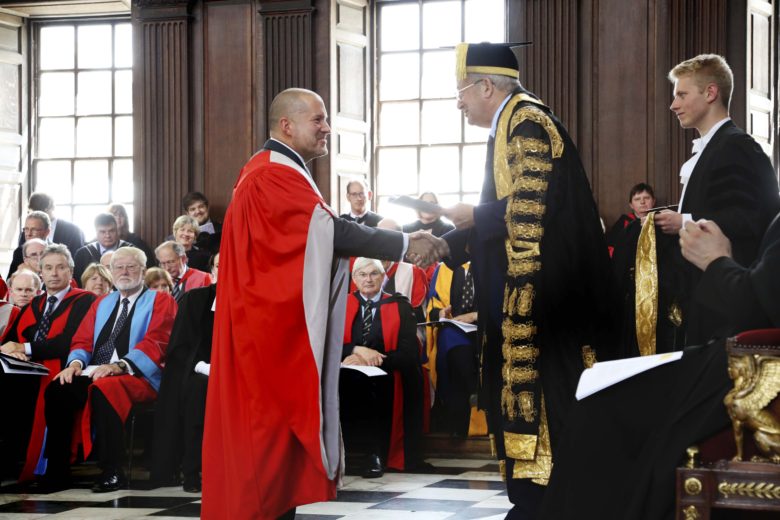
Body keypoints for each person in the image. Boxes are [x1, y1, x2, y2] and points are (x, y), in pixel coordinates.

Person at [202, 88, 446, 520]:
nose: (327, 128)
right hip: (267, 337)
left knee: (274, 456)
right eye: (318, 119)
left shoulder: (275, 171)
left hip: (266, 330)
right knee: (266, 452)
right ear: (286, 125)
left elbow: (318, 236)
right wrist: (405, 243)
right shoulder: (270, 175)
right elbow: (330, 232)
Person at [440, 42, 617, 518]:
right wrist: (446, 244)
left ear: (486, 86)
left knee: (549, 408)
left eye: (461, 92)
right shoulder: (512, 122)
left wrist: (475, 215)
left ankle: (547, 503)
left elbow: (533, 208)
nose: (458, 103)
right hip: (534, 300)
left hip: (546, 306)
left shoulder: (527, 121)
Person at [539, 214, 780, 520]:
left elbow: (758, 309)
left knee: (600, 406)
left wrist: (716, 260)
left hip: (749, 366)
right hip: (742, 358)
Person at [651, 54, 780, 348]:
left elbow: (751, 218)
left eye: (682, 94)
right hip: (707, 295)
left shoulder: (735, 146)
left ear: (710, 93)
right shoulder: (716, 147)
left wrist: (683, 221)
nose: (673, 105)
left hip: (728, 307)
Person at [42, 246, 176, 492]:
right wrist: (75, 364)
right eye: (118, 267)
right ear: (111, 271)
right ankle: (57, 470)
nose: (124, 272)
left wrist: (119, 365)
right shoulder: (102, 303)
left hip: (139, 374)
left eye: (131, 267)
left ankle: (112, 470)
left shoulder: (160, 300)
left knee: (105, 389)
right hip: (96, 370)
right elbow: (82, 340)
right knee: (59, 388)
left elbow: (158, 340)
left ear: (143, 270)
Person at [0, 245, 95, 481]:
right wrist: (14, 352)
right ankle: (9, 459)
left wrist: (25, 348)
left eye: (60, 267)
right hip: (31, 371)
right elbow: (12, 341)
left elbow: (70, 341)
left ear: (71, 270)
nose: (54, 273)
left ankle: (56, 469)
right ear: (40, 272)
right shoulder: (34, 304)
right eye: (48, 268)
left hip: (68, 369)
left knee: (56, 394)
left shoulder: (85, 300)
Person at [340, 257, 423, 478]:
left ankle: (374, 453)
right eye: (362, 274)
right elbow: (328, 344)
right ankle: (343, 453)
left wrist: (372, 360)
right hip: (346, 371)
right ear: (354, 279)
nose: (368, 279)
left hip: (388, 371)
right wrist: (356, 350)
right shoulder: (341, 305)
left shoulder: (400, 306)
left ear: (383, 276)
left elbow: (409, 353)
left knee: (373, 388)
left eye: (374, 274)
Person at [150, 282, 216, 492]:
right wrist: (207, 368)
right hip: (199, 369)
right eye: (218, 267)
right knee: (198, 391)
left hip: (242, 370)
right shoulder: (196, 299)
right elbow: (180, 348)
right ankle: (192, 471)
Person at [425, 261, 479, 438]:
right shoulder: (444, 268)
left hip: (486, 328)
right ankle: (474, 390)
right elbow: (432, 308)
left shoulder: (493, 264)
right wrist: (441, 313)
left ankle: (459, 424)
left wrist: (476, 315)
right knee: (451, 341)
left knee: (454, 349)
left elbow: (504, 301)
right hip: (454, 329)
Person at [16, 192, 84, 259]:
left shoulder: (73, 231)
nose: (39, 215)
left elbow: (78, 259)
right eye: (35, 211)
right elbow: (19, 258)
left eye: (43, 211)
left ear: (52, 208)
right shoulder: (25, 233)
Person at [73, 213, 132, 287]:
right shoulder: (82, 254)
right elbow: (77, 284)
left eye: (111, 231)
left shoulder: (131, 251)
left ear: (117, 230)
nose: (107, 235)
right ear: (96, 232)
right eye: (102, 232)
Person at [8, 212, 51, 277]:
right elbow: (9, 281)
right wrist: (18, 274)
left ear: (47, 232)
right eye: (26, 229)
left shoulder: (57, 252)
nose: (28, 234)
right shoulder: (19, 252)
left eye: (34, 229)